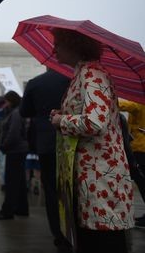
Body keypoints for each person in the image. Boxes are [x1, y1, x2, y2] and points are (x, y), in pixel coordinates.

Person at [49, 29, 134, 253]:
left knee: (102, 239)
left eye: (58, 44)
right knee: (91, 236)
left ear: (73, 45)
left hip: (100, 173)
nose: (53, 49)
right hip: (91, 173)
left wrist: (61, 120)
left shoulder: (93, 74)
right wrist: (64, 114)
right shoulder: (83, 73)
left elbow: (96, 123)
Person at [20, 68, 70, 249]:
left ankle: (59, 234)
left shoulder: (35, 82)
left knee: (51, 190)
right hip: (70, 140)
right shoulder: (71, 79)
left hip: (46, 143)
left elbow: (25, 111)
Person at [0, 90, 29, 220]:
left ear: (11, 100)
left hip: (15, 150)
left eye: (7, 101)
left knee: (11, 182)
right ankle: (22, 208)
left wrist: (4, 146)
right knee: (19, 181)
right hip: (19, 149)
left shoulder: (15, 113)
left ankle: (7, 211)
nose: (5, 104)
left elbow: (13, 134)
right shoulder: (16, 112)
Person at [118, 99, 145, 228]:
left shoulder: (141, 101)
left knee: (142, 181)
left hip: (141, 147)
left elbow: (130, 105)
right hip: (140, 146)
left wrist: (109, 100)